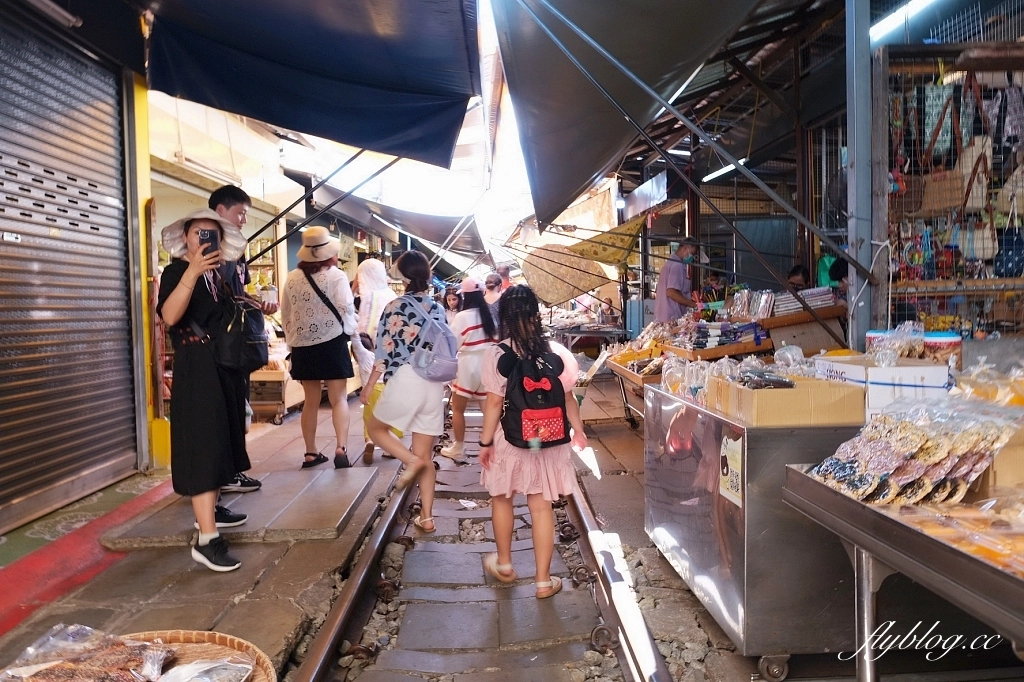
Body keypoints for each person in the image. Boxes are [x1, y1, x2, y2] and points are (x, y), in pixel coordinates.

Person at [478, 285, 587, 598]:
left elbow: (494, 404)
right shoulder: (556, 354)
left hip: (510, 439)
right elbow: (569, 399)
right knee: (541, 508)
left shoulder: (497, 354)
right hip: (547, 439)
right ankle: (542, 581)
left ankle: (505, 564)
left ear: (505, 317)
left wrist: (485, 443)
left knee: (502, 498)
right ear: (535, 315)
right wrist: (578, 431)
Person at [157, 208, 251, 572]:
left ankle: (210, 517)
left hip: (221, 367)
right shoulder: (177, 271)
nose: (205, 240)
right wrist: (193, 271)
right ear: (186, 237)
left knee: (219, 442)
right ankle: (207, 539)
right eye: (199, 233)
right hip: (196, 366)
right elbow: (170, 316)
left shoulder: (219, 277)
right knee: (204, 446)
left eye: (212, 235)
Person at [360, 251, 447, 531]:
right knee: (426, 456)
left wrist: (370, 385)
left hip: (405, 378)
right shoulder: (437, 308)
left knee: (376, 429)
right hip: (433, 382)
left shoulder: (393, 306)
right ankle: (428, 517)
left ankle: (410, 462)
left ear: (403, 277)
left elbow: (382, 352)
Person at [208, 186, 273, 494]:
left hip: (237, 342)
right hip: (216, 343)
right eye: (240, 213)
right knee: (224, 409)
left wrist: (260, 304)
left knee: (238, 404)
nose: (244, 220)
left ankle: (234, 469)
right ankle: (224, 473)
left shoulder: (237, 249)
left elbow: (239, 292)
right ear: (221, 211)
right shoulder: (207, 248)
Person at [281, 226, 357, 469]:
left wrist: (294, 340)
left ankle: (311, 453)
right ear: (328, 253)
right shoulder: (336, 276)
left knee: (310, 401)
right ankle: (340, 448)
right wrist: (351, 331)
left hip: (303, 346)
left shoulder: (292, 278)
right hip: (332, 342)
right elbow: (347, 308)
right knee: (339, 398)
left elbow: (286, 315)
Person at [440, 277, 498, 460]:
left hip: (467, 364)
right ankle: (494, 444)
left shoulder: (462, 317)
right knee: (488, 408)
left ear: (465, 296)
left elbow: (453, 343)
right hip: (487, 364)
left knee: (457, 408)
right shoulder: (488, 315)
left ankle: (459, 447)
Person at [350, 258, 399, 463]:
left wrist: (352, 289)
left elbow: (357, 325)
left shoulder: (366, 297)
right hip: (390, 356)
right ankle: (390, 442)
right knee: (391, 399)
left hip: (366, 352)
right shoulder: (391, 295)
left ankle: (370, 437)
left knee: (369, 396)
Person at [654, 238, 699, 322]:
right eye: (692, 254)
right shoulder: (677, 265)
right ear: (685, 248)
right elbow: (671, 292)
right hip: (671, 316)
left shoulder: (671, 263)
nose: (692, 258)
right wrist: (692, 304)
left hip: (663, 315)